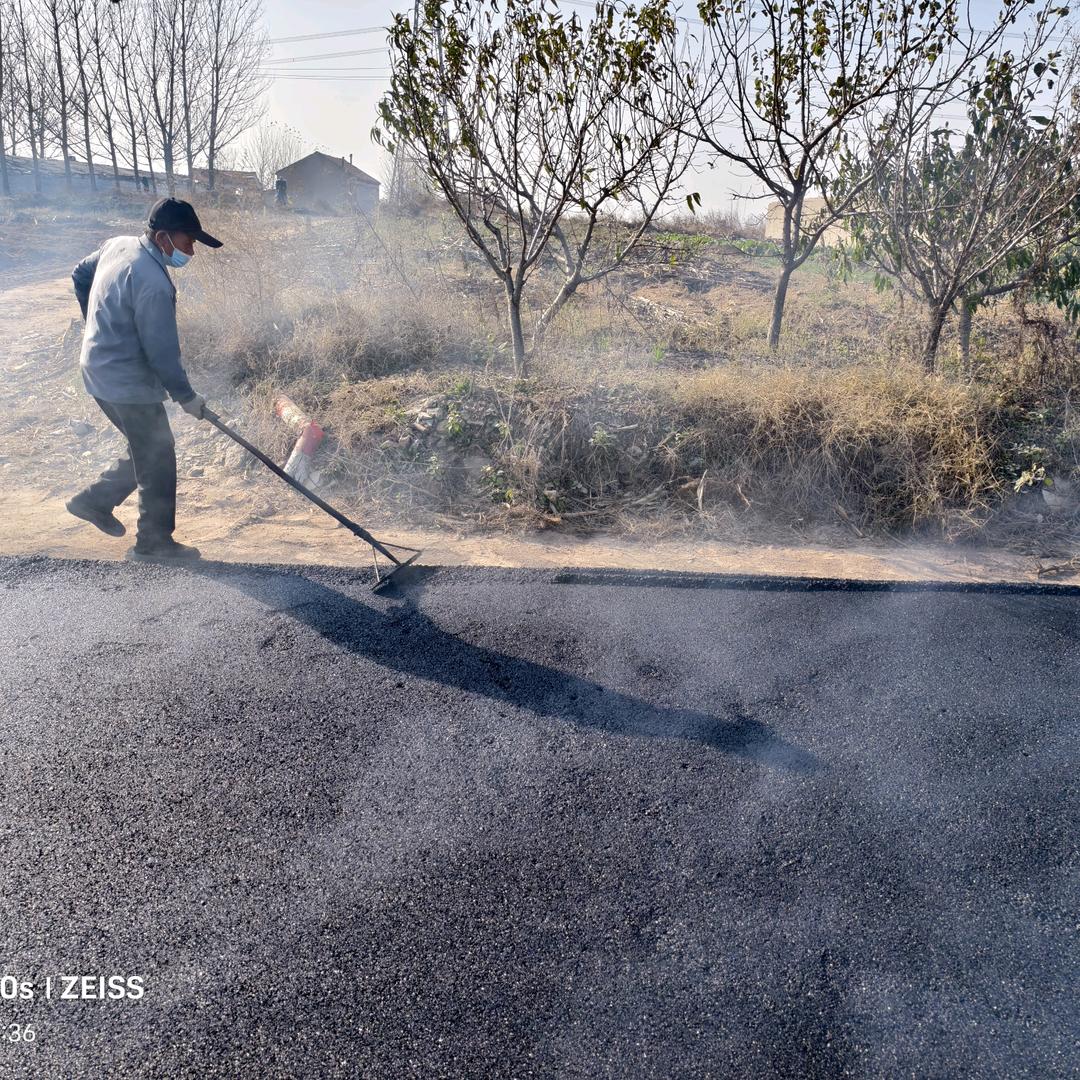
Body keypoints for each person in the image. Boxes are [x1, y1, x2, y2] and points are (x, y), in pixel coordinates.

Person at [65, 197, 221, 563]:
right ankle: (153, 544)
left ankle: (94, 500)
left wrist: (95, 326)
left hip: (97, 369)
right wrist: (186, 397)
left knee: (147, 446)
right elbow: (163, 353)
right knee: (159, 456)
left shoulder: (117, 245)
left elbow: (79, 274)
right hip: (124, 380)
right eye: (188, 242)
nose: (192, 252)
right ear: (164, 237)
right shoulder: (154, 284)